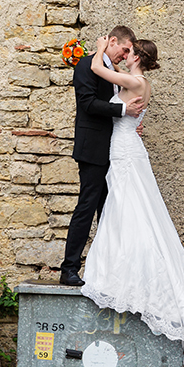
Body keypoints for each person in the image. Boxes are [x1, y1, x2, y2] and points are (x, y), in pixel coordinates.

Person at [80, 37, 184, 367]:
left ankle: (130, 267)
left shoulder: (138, 81)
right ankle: (121, 258)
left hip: (125, 150)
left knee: (132, 209)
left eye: (127, 53)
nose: (123, 57)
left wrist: (98, 47)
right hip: (124, 146)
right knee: (124, 209)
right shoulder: (132, 84)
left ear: (137, 57)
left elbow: (97, 69)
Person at [59, 26, 144, 287]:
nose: (126, 54)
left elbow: (116, 102)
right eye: (125, 49)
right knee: (87, 207)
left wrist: (129, 122)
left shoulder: (111, 71)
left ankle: (108, 272)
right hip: (93, 149)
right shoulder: (86, 65)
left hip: (114, 150)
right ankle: (69, 268)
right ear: (113, 41)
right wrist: (123, 113)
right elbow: (87, 103)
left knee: (109, 212)